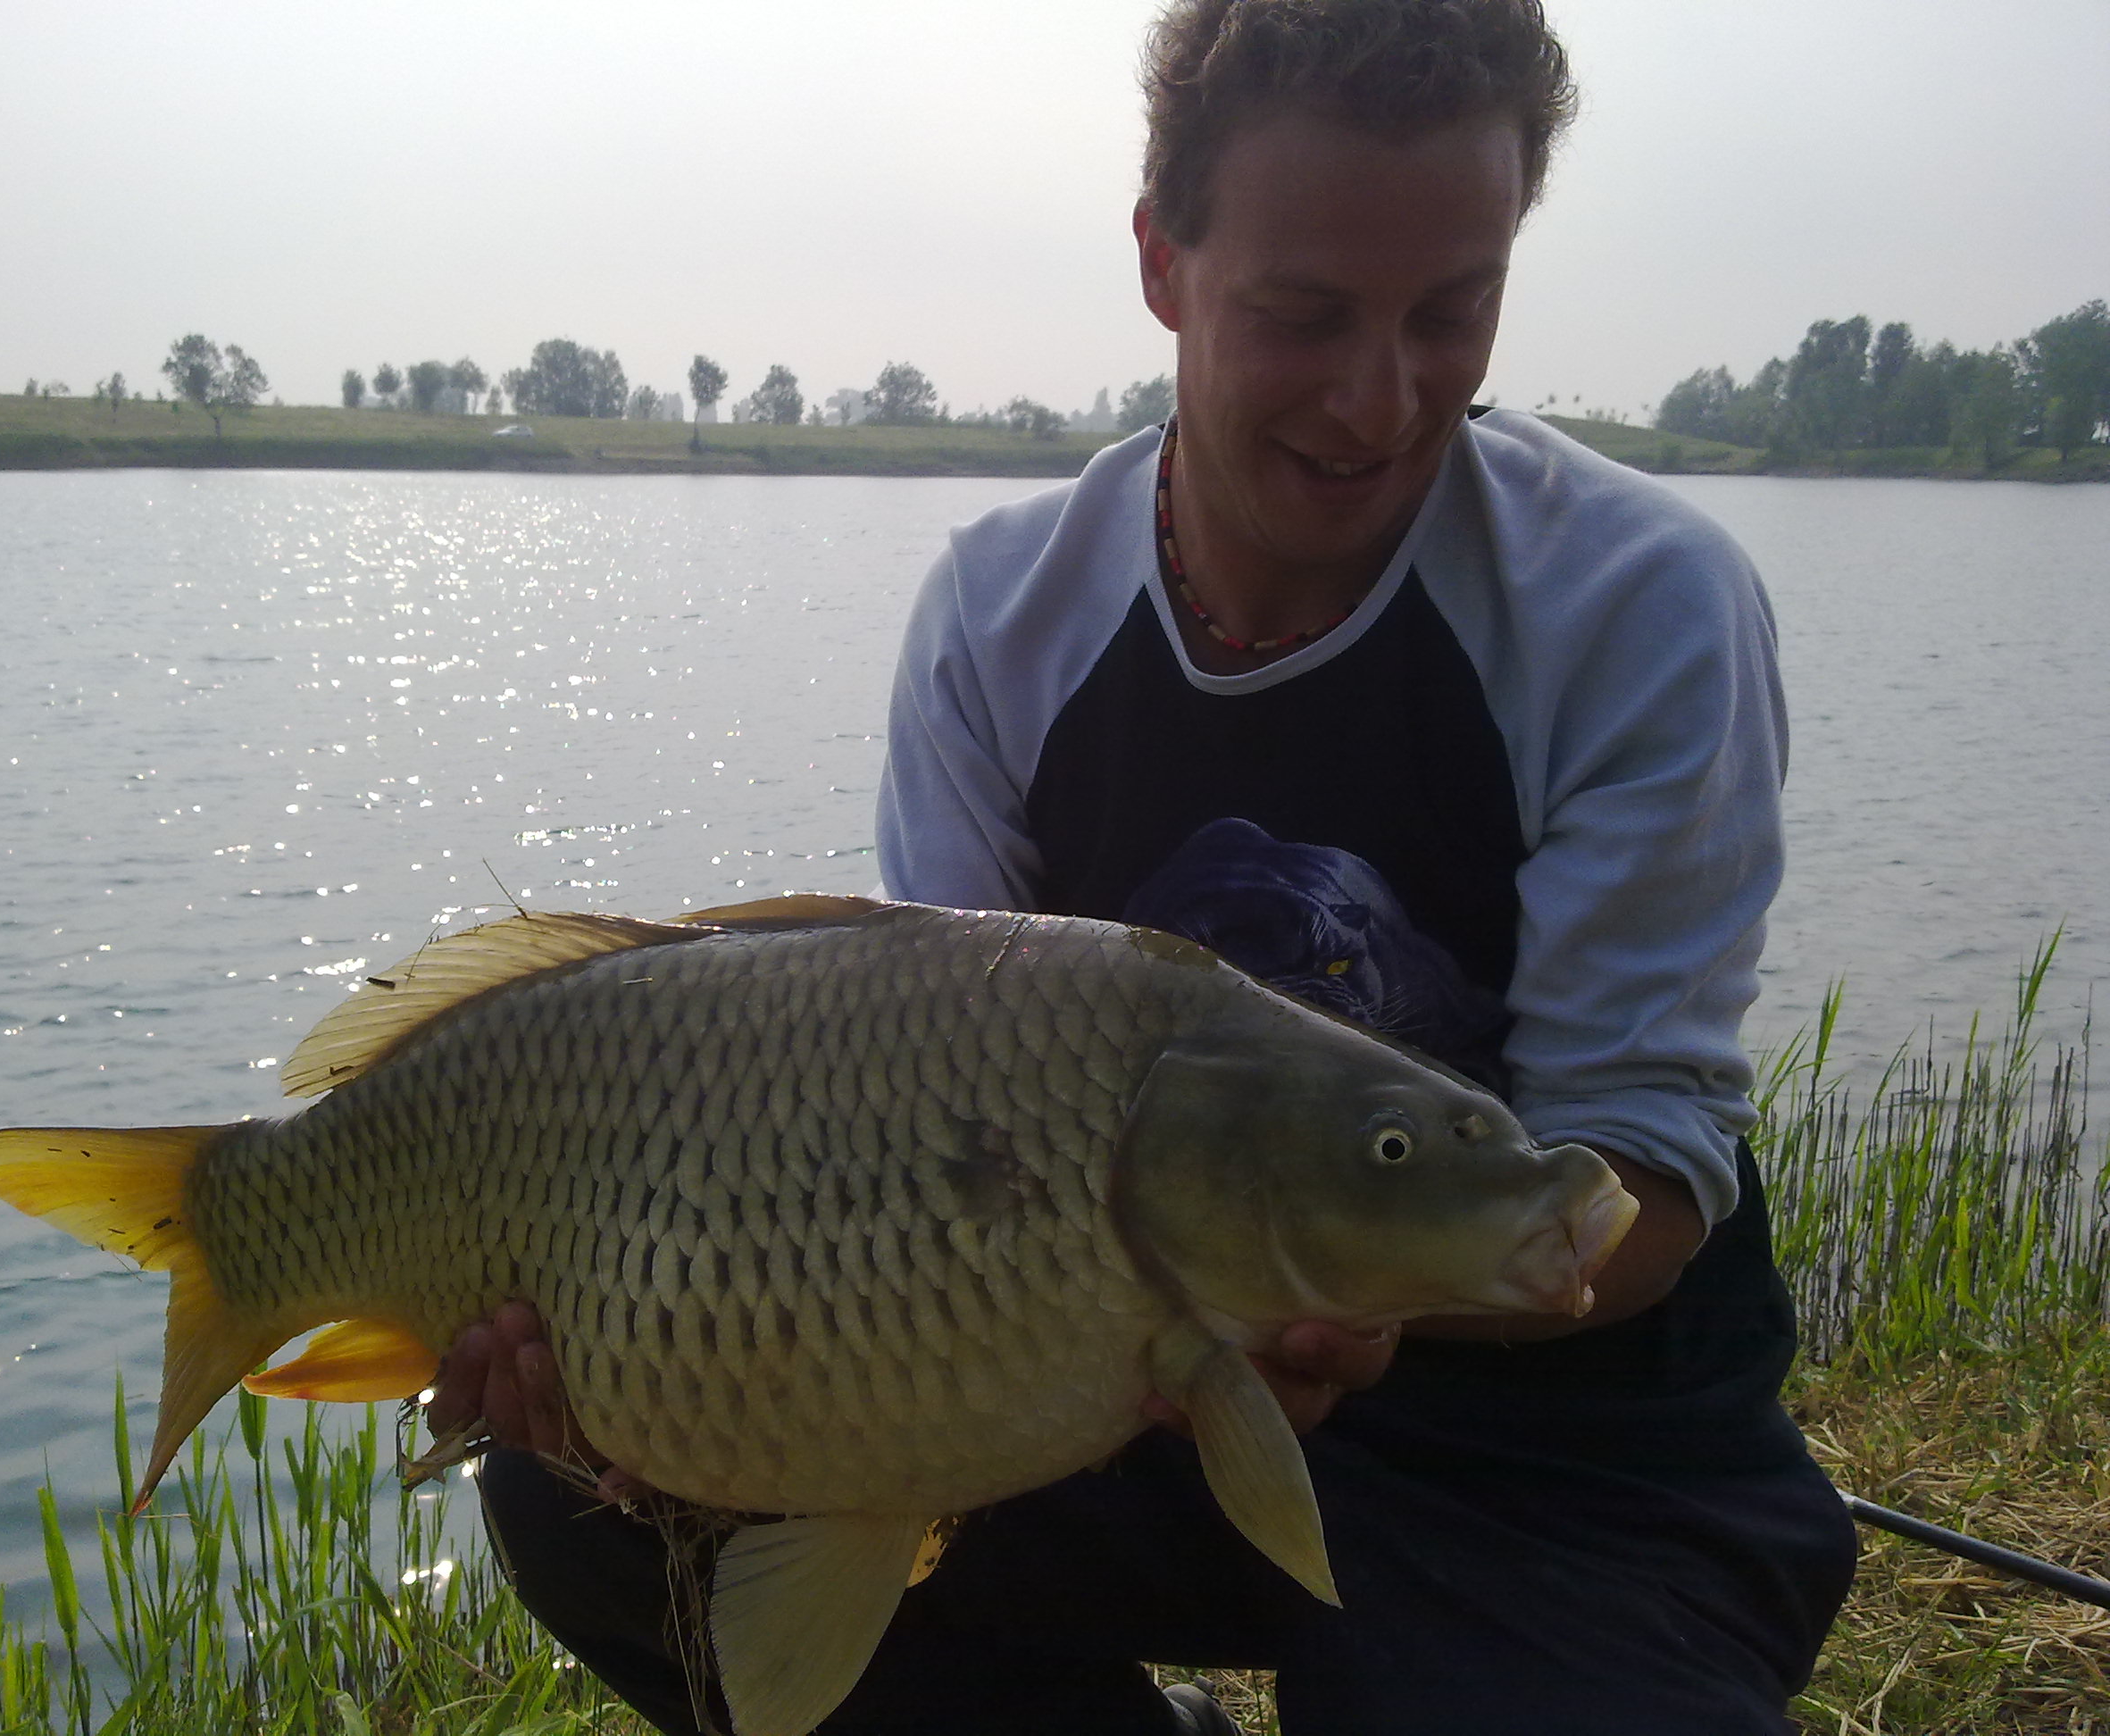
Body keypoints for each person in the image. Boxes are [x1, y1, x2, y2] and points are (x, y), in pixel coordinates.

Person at [435, 2, 1858, 1730]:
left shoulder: (1640, 604)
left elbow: (1644, 1178)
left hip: (1571, 1452)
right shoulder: (1002, 613)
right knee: (590, 1499)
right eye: (1305, 314)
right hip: (1105, 1382)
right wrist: (676, 1360)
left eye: (1452, 310)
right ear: (1163, 264)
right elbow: (925, 1134)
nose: (1381, 397)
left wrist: (1344, 1285)